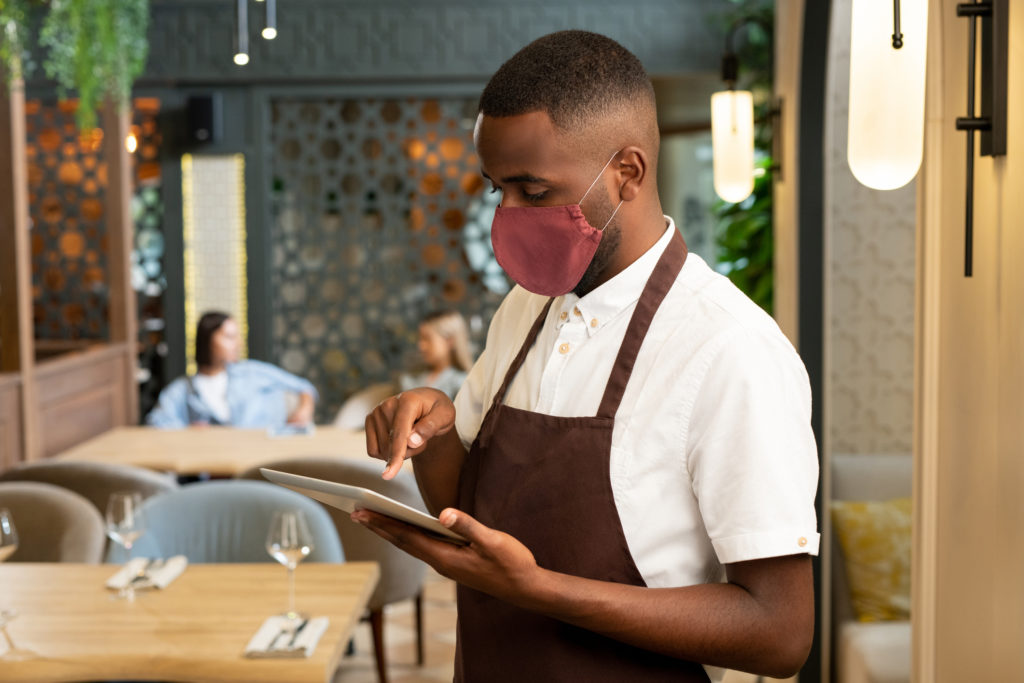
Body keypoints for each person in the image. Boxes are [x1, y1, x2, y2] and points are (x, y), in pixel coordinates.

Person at [357, 30, 819, 682]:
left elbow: (779, 631)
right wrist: (431, 432)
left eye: (533, 190)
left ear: (627, 172)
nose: (507, 216)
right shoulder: (525, 308)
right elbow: (471, 509)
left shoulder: (730, 349)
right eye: (497, 191)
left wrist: (538, 588)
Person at [147, 311, 317, 429]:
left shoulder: (252, 372)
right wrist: (187, 431)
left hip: (264, 460)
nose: (238, 344)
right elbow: (156, 422)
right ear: (207, 340)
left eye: (237, 337)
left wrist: (304, 410)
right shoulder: (183, 389)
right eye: (229, 337)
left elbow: (304, 387)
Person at [398, 310, 473, 400]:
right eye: (420, 339)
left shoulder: (462, 382)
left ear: (449, 341)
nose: (421, 346)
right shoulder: (411, 379)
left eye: (427, 339)